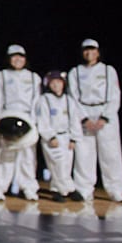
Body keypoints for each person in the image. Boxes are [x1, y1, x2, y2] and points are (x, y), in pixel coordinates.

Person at [67, 38, 122, 202]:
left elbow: (115, 95)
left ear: (98, 52)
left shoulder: (108, 70)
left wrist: (105, 117)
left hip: (105, 115)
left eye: (92, 49)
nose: (89, 53)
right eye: (86, 50)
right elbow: (73, 98)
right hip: (84, 114)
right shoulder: (75, 72)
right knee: (84, 154)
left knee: (111, 154)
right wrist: (84, 118)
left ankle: (116, 190)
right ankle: (84, 189)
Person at [0, 44, 42, 201]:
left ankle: (29, 189)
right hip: (7, 117)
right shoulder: (0, 76)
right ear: (9, 58)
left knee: (28, 157)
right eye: (14, 56)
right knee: (4, 154)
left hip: (27, 118)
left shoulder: (34, 77)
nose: (18, 59)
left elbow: (37, 102)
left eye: (21, 56)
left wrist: (36, 122)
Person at [35, 70, 81, 202]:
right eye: (53, 83)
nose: (56, 85)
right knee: (57, 164)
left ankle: (63, 189)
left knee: (67, 165)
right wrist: (50, 136)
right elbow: (42, 121)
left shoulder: (69, 100)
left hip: (66, 136)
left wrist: (74, 138)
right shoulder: (44, 100)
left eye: (58, 82)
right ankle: (62, 190)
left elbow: (74, 120)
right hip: (52, 138)